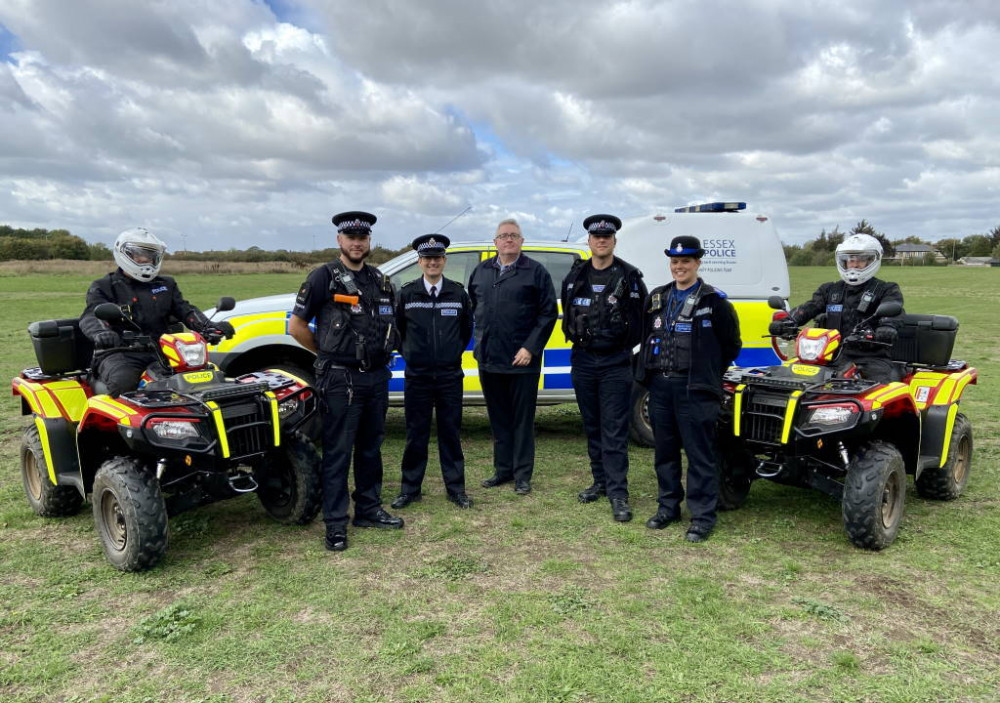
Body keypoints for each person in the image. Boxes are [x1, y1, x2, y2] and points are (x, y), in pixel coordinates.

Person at [289, 211, 402, 553]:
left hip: (376, 378)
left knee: (370, 448)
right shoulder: (323, 277)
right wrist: (326, 355)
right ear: (339, 240)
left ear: (369, 241)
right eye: (350, 237)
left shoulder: (379, 280)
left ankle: (368, 508)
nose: (357, 242)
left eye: (362, 237)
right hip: (340, 380)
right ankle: (336, 523)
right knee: (338, 452)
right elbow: (296, 327)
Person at [638, 235, 741, 542]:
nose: (679, 266)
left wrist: (708, 373)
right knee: (665, 453)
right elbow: (647, 337)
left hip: (695, 390)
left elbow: (730, 346)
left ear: (698, 263)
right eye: (674, 261)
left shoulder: (714, 301)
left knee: (700, 455)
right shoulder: (657, 298)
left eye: (685, 261)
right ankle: (668, 507)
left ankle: (702, 516)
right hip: (660, 387)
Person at [560, 214, 647, 522]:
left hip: (615, 363)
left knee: (614, 429)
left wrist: (620, 345)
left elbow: (642, 322)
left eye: (607, 237)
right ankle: (599, 481)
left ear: (613, 241)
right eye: (596, 237)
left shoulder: (630, 277)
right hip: (583, 360)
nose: (601, 240)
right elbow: (568, 315)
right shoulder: (575, 277)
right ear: (589, 241)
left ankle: (618, 492)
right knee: (593, 425)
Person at [79, 227, 232, 396]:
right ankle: (121, 422)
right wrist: (101, 333)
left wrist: (208, 326)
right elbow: (91, 315)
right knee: (124, 381)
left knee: (206, 376)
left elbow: (185, 311)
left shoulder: (166, 285)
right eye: (139, 254)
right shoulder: (104, 286)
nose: (146, 259)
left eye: (151, 255)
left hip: (163, 350)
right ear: (124, 254)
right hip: (120, 353)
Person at [468, 218, 557, 495]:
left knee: (521, 420)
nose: (508, 239)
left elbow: (547, 313)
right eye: (503, 235)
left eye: (514, 235)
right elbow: (473, 308)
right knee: (498, 419)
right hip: (490, 359)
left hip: (522, 361)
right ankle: (503, 470)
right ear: (495, 242)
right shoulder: (481, 271)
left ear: (521, 241)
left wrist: (530, 347)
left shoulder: (536, 272)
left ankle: (522, 475)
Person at [391, 234, 475, 510]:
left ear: (444, 261)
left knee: (450, 433)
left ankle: (456, 489)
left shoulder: (457, 292)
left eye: (437, 258)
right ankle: (410, 489)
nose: (433, 263)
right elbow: (397, 333)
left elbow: (465, 332)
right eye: (427, 258)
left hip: (450, 376)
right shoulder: (407, 293)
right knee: (416, 433)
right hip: (418, 376)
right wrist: (413, 356)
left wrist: (449, 355)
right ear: (419, 262)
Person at [769, 233, 903, 382]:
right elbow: (809, 307)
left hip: (869, 357)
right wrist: (788, 321)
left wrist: (887, 327)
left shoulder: (886, 289)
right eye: (850, 260)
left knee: (875, 387)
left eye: (861, 260)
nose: (854, 264)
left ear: (873, 260)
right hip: (829, 354)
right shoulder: (830, 290)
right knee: (792, 377)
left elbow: (893, 310)